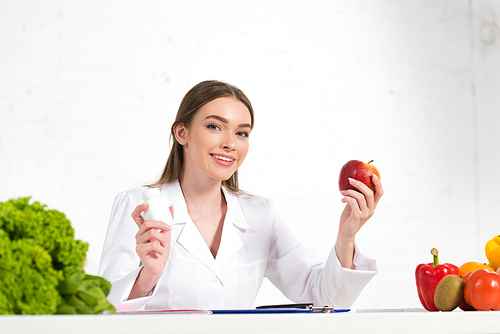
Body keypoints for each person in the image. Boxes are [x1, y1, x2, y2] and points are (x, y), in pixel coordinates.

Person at [98, 80, 383, 311]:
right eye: (214, 126)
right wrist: (148, 276)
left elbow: (325, 298)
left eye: (242, 133)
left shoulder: (260, 215)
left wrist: (347, 237)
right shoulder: (140, 206)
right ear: (182, 133)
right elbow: (105, 310)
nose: (229, 143)